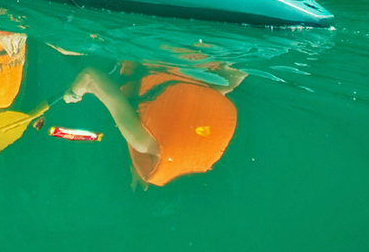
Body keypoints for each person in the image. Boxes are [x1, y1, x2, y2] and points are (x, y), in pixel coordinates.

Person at [63, 61, 245, 186]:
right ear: (144, 185)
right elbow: (90, 77)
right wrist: (74, 93)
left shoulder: (209, 153)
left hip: (210, 52)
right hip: (163, 45)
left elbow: (232, 79)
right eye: (131, 181)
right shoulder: (143, 143)